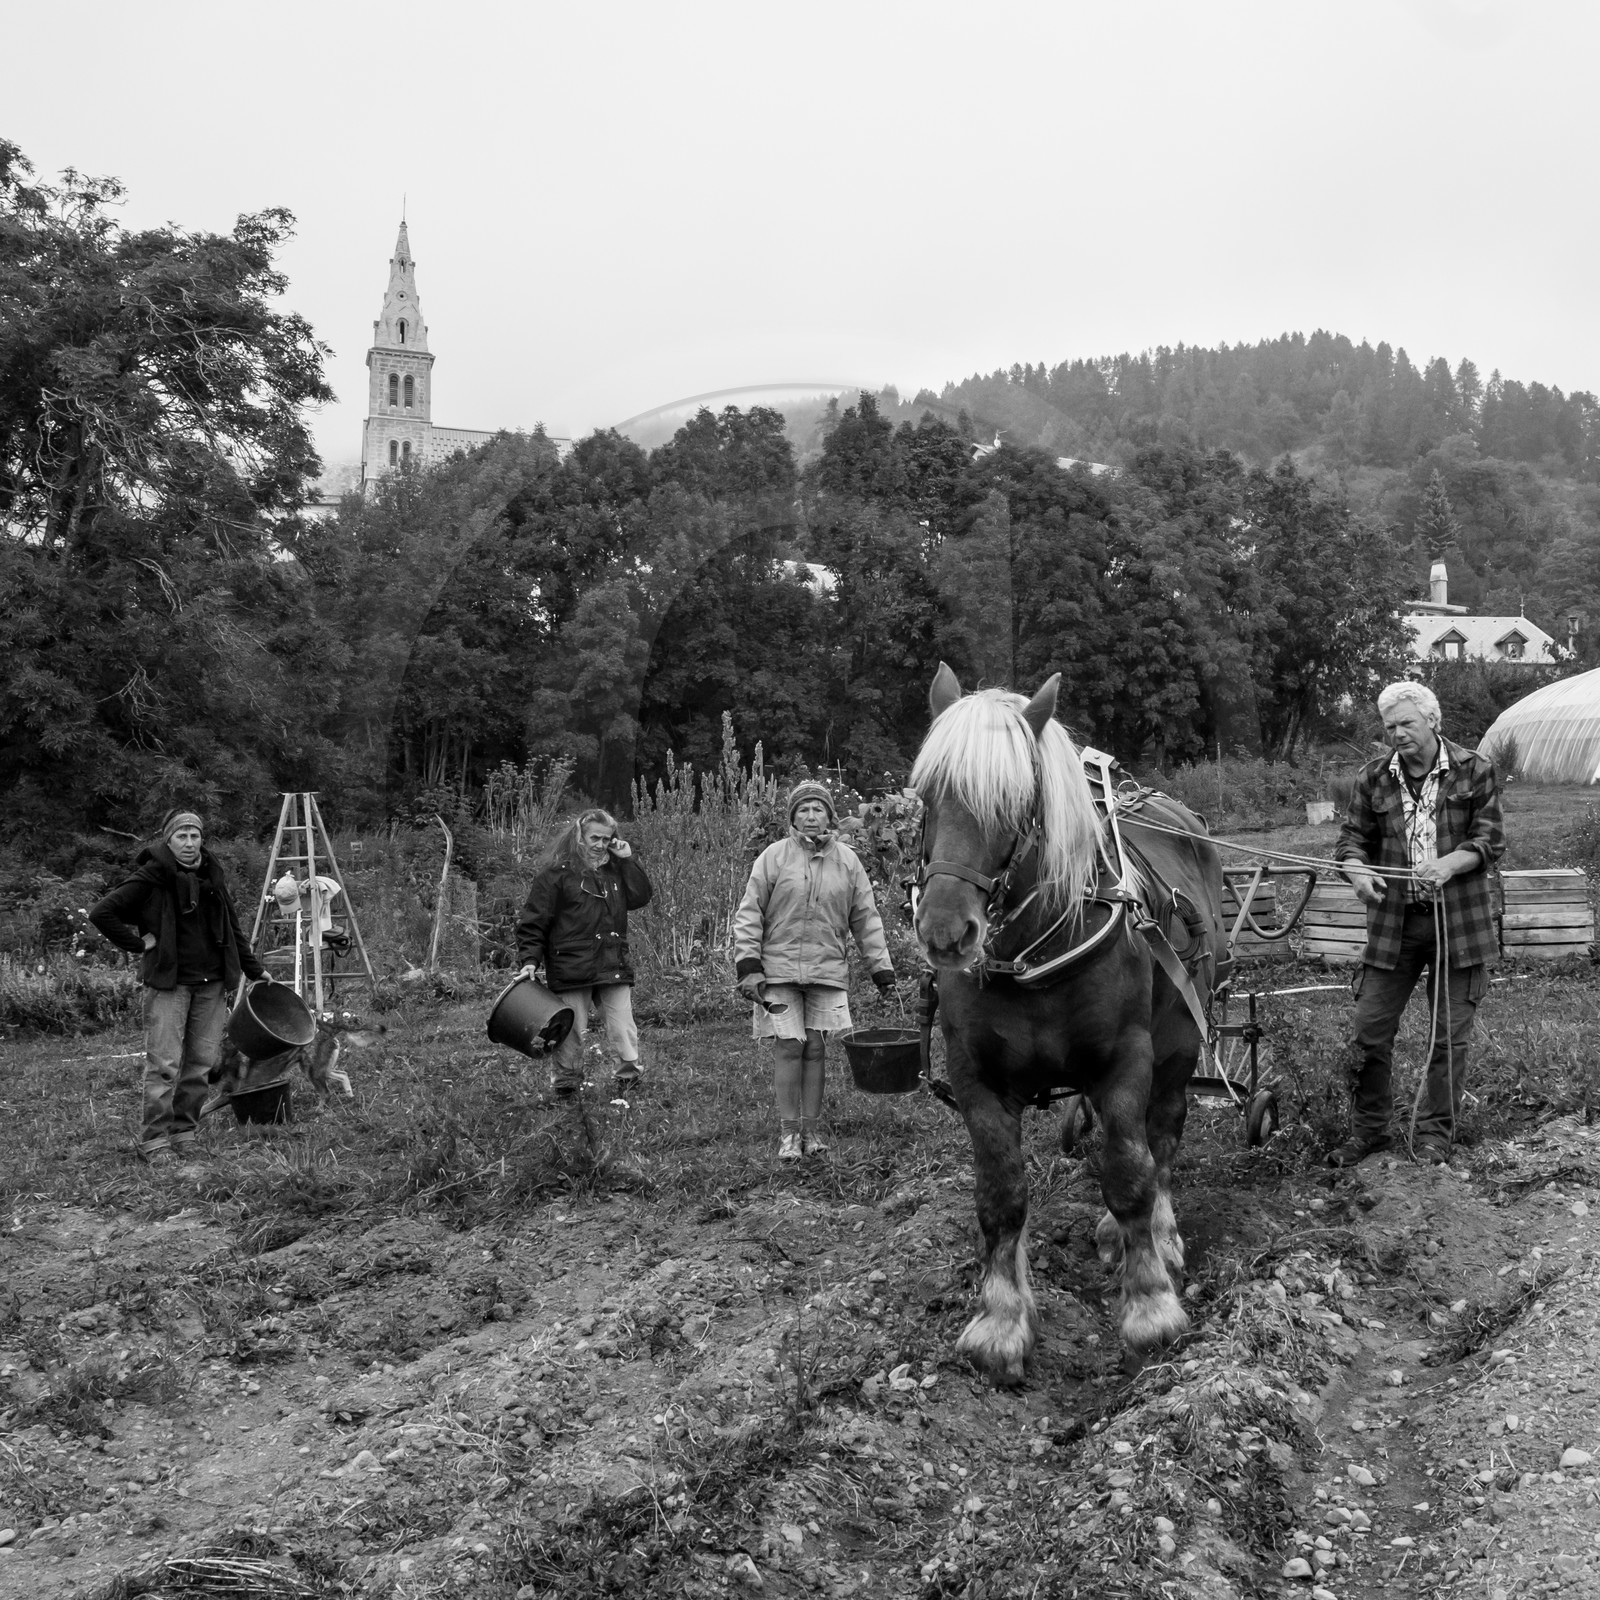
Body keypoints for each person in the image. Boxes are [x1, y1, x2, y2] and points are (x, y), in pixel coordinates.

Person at [1329, 681, 1505, 1167]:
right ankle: (1370, 1133)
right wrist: (1358, 873)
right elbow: (1349, 842)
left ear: (1433, 719)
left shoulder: (1475, 769)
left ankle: (1434, 1137)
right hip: (1393, 927)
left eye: (1407, 723)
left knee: (1447, 1038)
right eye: (1390, 727)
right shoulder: (1373, 778)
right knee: (1369, 1033)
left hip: (1458, 925)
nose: (1398, 734)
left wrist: (1451, 863)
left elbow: (1489, 839)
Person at [89, 808, 268, 1164]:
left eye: (195, 836)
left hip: (212, 982)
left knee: (201, 1063)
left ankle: (184, 1132)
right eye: (181, 836)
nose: (189, 843)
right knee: (164, 1065)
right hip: (170, 985)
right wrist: (139, 944)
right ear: (168, 840)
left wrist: (254, 969)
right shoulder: (152, 875)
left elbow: (232, 927)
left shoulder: (211, 876)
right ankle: (154, 1140)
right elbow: (101, 912)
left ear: (202, 840)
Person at [734, 780, 897, 1161]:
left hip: (826, 969)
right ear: (793, 817)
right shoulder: (773, 857)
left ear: (829, 815)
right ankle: (789, 1134)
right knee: (789, 1046)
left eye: (818, 809)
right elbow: (749, 914)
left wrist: (882, 971)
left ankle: (812, 1131)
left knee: (817, 1048)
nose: (811, 816)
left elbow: (866, 918)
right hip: (778, 969)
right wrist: (749, 966)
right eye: (803, 810)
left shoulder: (847, 861)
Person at [514, 808, 652, 1099]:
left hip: (612, 961)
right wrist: (529, 961)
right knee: (570, 1030)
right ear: (578, 837)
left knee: (623, 1027)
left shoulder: (616, 871)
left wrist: (627, 860)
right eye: (595, 837)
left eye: (607, 838)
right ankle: (566, 1087)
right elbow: (534, 921)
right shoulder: (556, 875)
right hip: (570, 966)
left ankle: (629, 1082)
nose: (600, 844)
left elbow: (640, 896)